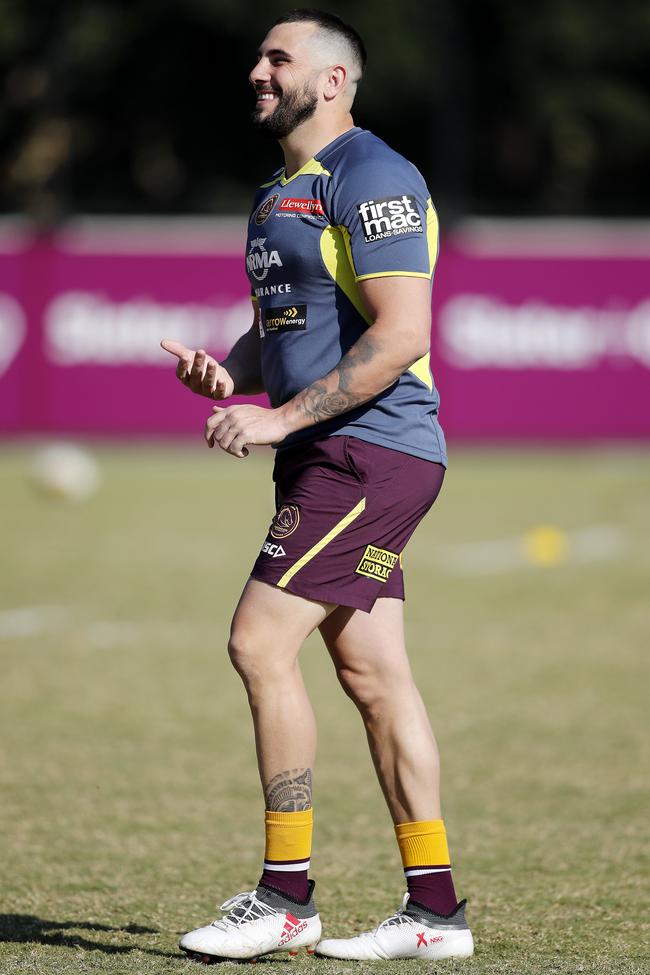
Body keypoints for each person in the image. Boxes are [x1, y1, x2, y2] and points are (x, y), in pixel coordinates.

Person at [161, 8, 473, 963]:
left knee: (257, 640)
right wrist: (234, 377)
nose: (258, 69)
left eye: (279, 57)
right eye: (259, 55)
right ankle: (435, 913)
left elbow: (400, 332)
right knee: (375, 676)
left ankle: (286, 896)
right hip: (331, 453)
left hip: (368, 450)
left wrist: (281, 419)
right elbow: (289, 335)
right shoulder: (275, 194)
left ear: (334, 81)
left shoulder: (371, 174)